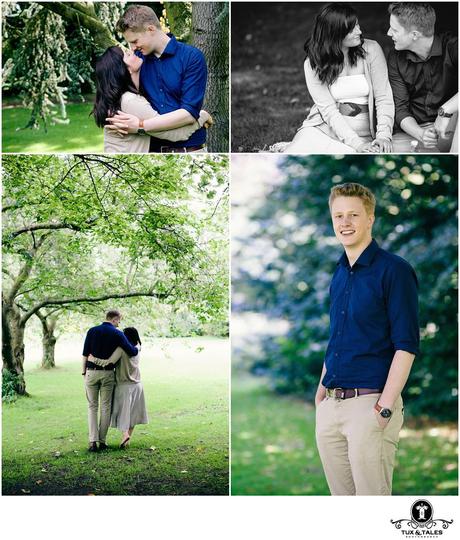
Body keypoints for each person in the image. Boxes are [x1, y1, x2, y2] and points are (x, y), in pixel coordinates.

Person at [315, 183, 419, 496]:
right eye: (338, 216)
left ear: (370, 218)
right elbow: (338, 338)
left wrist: (384, 407)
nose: (344, 223)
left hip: (369, 406)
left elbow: (407, 344)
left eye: (353, 215)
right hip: (330, 407)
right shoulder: (339, 273)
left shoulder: (394, 270)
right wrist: (320, 395)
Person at [282, 3, 394, 154]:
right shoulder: (313, 63)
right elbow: (328, 111)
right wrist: (357, 144)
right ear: (335, 33)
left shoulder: (372, 49)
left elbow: (383, 97)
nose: (359, 31)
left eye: (358, 25)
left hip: (369, 132)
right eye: (352, 29)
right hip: (326, 130)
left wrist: (383, 136)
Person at [106, 4, 208, 153]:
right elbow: (134, 100)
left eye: (135, 41)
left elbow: (188, 114)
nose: (132, 48)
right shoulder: (137, 60)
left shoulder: (191, 57)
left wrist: (141, 126)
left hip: (189, 149)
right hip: (150, 150)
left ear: (151, 29)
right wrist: (134, 72)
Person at [93, 46, 211, 153]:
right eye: (127, 54)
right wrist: (202, 116)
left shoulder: (122, 98)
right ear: (126, 69)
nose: (132, 51)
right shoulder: (130, 101)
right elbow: (177, 135)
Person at [387, 3, 458, 152]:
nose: (388, 33)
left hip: (454, 125)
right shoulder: (395, 58)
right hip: (416, 130)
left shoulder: (453, 46)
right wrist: (421, 134)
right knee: (385, 149)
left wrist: (445, 111)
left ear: (414, 35)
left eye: (394, 30)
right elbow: (400, 109)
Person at [82, 310, 140, 452]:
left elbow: (85, 354)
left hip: (91, 373)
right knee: (105, 407)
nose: (119, 324)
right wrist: (137, 346)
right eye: (119, 321)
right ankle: (102, 441)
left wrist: (84, 372)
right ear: (114, 319)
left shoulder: (92, 331)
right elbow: (132, 351)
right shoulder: (118, 333)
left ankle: (92, 441)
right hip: (108, 374)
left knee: (92, 407)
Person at [89, 327, 148, 448]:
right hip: (137, 385)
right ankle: (126, 439)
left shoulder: (121, 349)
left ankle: (125, 434)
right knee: (133, 414)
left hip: (123, 386)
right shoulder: (138, 348)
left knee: (122, 413)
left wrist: (92, 359)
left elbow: (109, 362)